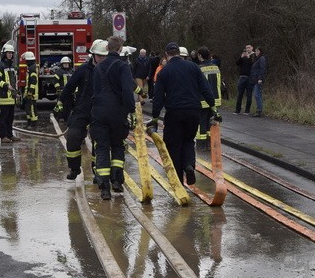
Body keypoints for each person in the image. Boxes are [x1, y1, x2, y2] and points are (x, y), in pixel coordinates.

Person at [149, 41, 216, 186]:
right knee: (188, 141)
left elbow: (158, 98)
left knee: (174, 145)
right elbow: (206, 89)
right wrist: (213, 107)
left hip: (174, 113)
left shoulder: (164, 72)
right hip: (193, 111)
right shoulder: (193, 67)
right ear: (179, 53)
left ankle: (179, 182)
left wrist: (154, 117)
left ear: (166, 55)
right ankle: (189, 165)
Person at [90, 35, 137, 200]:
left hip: (99, 112)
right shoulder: (123, 67)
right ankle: (116, 181)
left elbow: (94, 93)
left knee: (102, 147)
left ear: (108, 48)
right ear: (119, 49)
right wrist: (131, 111)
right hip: (118, 113)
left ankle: (104, 189)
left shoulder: (97, 68)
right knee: (117, 145)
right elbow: (127, 91)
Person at [58, 39, 106, 180]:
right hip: (82, 108)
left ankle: (97, 172)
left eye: (104, 56)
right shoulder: (83, 70)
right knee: (72, 138)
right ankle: (74, 168)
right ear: (93, 55)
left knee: (99, 142)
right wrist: (61, 102)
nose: (102, 59)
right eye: (99, 56)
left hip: (100, 110)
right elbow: (69, 88)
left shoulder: (109, 70)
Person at [0, 42, 20, 143]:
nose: (10, 55)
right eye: (8, 53)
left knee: (10, 118)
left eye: (12, 53)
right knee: (3, 118)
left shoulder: (12, 66)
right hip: (4, 97)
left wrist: (15, 92)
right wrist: (5, 85)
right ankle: (3, 136)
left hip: (11, 97)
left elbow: (13, 81)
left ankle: (10, 135)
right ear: (4, 54)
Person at [196, 46, 222, 145]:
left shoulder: (199, 68)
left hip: (203, 100)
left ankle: (201, 144)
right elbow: (218, 84)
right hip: (215, 99)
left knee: (202, 122)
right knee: (211, 122)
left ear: (200, 55)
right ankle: (211, 143)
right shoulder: (216, 67)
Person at [234, 45, 254, 114]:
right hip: (242, 77)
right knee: (240, 94)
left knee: (249, 95)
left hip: (250, 78)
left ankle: (247, 111)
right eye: (246, 48)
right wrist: (241, 57)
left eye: (249, 48)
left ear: (252, 48)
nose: (247, 49)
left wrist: (249, 58)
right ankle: (237, 110)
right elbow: (237, 63)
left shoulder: (253, 56)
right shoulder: (243, 56)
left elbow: (254, 65)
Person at [21, 51, 40, 126]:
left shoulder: (32, 68)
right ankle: (29, 121)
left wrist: (30, 92)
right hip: (29, 92)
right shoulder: (32, 67)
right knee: (28, 107)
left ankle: (33, 123)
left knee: (32, 108)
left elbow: (33, 81)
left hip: (32, 93)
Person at [249, 47, 267, 117]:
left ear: (260, 51)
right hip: (255, 79)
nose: (256, 52)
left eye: (257, 51)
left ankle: (259, 111)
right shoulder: (257, 59)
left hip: (258, 80)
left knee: (257, 95)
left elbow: (262, 69)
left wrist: (260, 78)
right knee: (257, 94)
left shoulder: (262, 58)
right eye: (255, 51)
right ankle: (259, 110)